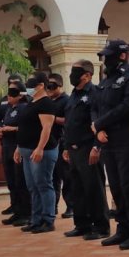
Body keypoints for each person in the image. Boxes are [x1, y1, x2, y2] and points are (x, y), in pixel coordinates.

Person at [94, 39, 129, 250]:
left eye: (109, 56)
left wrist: (100, 123)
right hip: (109, 140)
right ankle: (123, 228)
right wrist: (98, 128)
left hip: (128, 139)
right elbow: (96, 106)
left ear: (123, 55)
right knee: (116, 186)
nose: (105, 60)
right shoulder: (106, 79)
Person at [62, 60, 110, 240]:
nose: (72, 76)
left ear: (88, 75)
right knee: (78, 189)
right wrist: (66, 146)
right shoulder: (73, 95)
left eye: (77, 72)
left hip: (88, 147)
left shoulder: (95, 93)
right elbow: (69, 123)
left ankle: (101, 227)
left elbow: (99, 122)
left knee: (94, 188)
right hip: (73, 149)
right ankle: (82, 225)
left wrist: (97, 147)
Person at [15, 72, 59, 233]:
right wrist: (18, 148)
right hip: (27, 151)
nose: (28, 86)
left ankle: (48, 220)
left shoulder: (46, 103)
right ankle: (36, 219)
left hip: (42, 151)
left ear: (41, 85)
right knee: (33, 186)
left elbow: (47, 128)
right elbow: (25, 126)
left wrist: (40, 148)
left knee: (44, 185)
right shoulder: (31, 102)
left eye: (31, 83)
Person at [0, 81, 32, 227]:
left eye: (12, 93)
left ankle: (26, 213)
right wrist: (2, 130)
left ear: (20, 94)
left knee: (20, 181)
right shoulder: (9, 108)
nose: (9, 96)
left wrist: (11, 129)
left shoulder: (24, 108)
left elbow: (27, 127)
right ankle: (17, 211)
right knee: (11, 181)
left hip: (17, 147)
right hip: (6, 146)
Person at [47, 74, 75, 216]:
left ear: (60, 85)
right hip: (50, 142)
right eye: (48, 86)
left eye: (52, 86)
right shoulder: (48, 101)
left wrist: (52, 119)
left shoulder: (67, 100)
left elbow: (68, 120)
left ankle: (71, 206)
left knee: (66, 176)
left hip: (62, 141)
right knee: (53, 177)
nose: (49, 89)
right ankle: (53, 206)